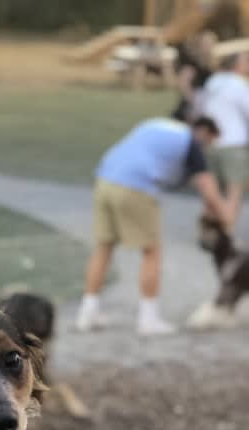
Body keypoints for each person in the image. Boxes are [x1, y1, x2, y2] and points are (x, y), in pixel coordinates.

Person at [76, 116, 230, 336]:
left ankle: (87, 312)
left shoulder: (161, 126)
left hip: (105, 180)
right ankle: (148, 319)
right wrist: (225, 218)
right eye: (210, 143)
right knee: (152, 251)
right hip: (135, 186)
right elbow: (206, 186)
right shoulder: (191, 142)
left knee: (104, 246)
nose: (206, 149)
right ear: (205, 132)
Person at [197, 51, 249, 229]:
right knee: (233, 191)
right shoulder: (239, 85)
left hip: (211, 143)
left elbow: (201, 107)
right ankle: (227, 231)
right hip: (233, 146)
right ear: (236, 65)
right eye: (245, 62)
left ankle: (207, 229)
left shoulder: (213, 81)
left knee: (212, 191)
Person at [172, 31, 216, 122]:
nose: (209, 46)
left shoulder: (211, 62)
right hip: (194, 103)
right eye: (206, 43)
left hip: (206, 102)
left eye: (211, 43)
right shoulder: (193, 62)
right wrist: (194, 101)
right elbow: (183, 83)